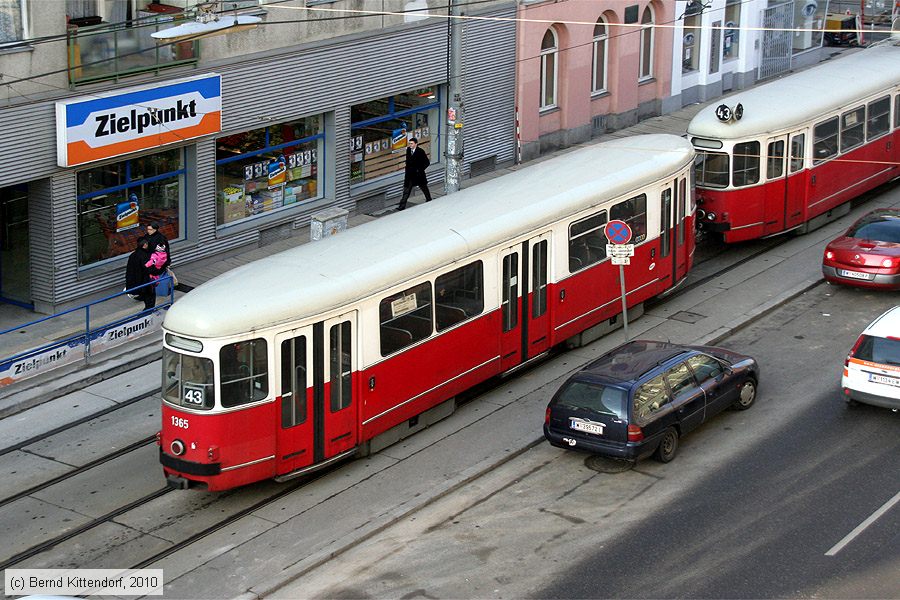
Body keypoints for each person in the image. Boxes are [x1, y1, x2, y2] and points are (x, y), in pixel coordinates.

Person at [397, 137, 432, 210]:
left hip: (418, 175)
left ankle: (429, 199)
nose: (410, 145)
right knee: (406, 191)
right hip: (409, 175)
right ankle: (402, 206)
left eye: (411, 143)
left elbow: (427, 162)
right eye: (409, 143)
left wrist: (420, 170)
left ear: (416, 144)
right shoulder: (408, 150)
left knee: (424, 187)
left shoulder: (420, 151)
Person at [125, 236, 156, 311]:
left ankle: (142, 297)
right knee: (150, 295)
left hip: (136, 279)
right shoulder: (145, 256)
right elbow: (148, 268)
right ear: (145, 245)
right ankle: (149, 309)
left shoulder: (133, 255)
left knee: (143, 291)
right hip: (145, 279)